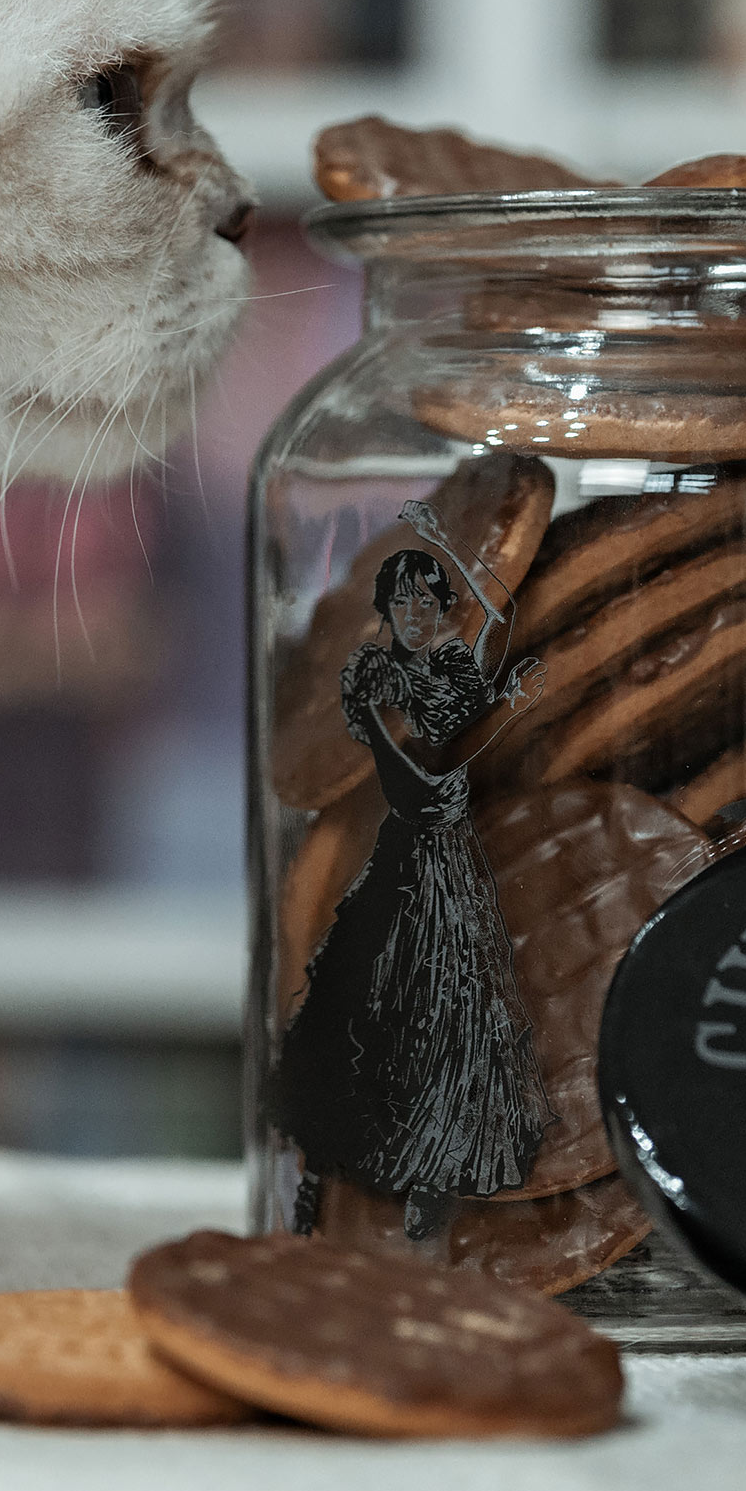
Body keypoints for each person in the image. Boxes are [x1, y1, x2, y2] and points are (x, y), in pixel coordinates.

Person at [273, 501, 554, 1243]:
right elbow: (399, 772)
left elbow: (500, 617)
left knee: (462, 1015)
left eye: (429, 599)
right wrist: (505, 717)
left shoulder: (455, 660)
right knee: (374, 1008)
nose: (416, 612)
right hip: (403, 851)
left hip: (457, 855)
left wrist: (447, 542)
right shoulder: (373, 675)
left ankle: (441, 1180)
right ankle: (330, 1178)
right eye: (403, 600)